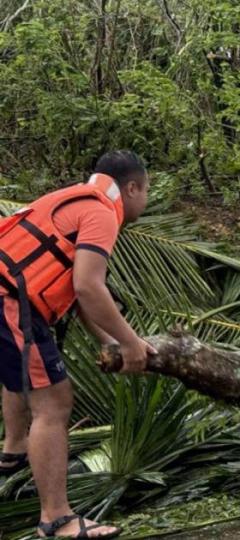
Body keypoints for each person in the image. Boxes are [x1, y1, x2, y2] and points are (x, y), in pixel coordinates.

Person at [0, 150, 155, 538]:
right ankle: (57, 519)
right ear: (132, 187)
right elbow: (89, 286)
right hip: (11, 303)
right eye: (146, 190)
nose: (146, 200)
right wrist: (133, 343)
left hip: (7, 297)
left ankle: (15, 449)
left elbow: (74, 287)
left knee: (21, 376)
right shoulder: (102, 212)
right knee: (53, 402)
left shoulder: (72, 199)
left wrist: (115, 341)